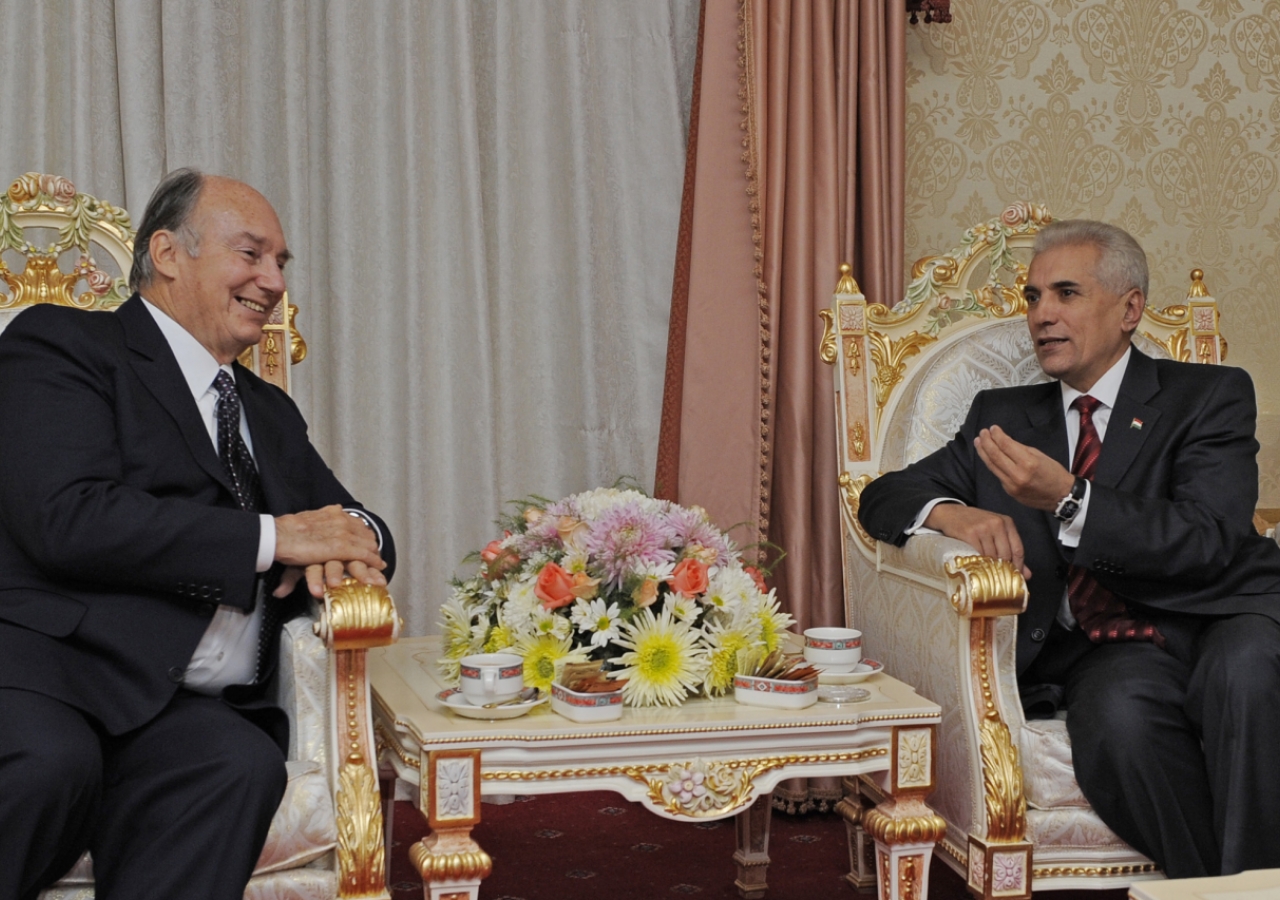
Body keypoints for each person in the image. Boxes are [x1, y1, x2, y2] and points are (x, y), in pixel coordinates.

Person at [0, 169, 396, 900]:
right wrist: (274, 541)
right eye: (251, 254)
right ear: (169, 253)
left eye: (281, 262)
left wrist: (348, 548)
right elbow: (68, 517)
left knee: (239, 765)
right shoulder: (67, 345)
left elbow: (356, 522)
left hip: (179, 710)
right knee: (55, 765)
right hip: (56, 675)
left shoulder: (265, 409)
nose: (272, 280)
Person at [857, 220, 1280, 878]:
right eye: (1032, 298)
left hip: (1223, 610)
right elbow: (881, 498)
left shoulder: (1208, 397)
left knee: (1248, 672)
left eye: (1065, 294)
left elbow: (1210, 535)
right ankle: (1222, 890)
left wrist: (1071, 500)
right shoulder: (1003, 416)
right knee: (1118, 722)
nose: (1041, 315)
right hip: (1111, 649)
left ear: (1129, 308)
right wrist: (955, 514)